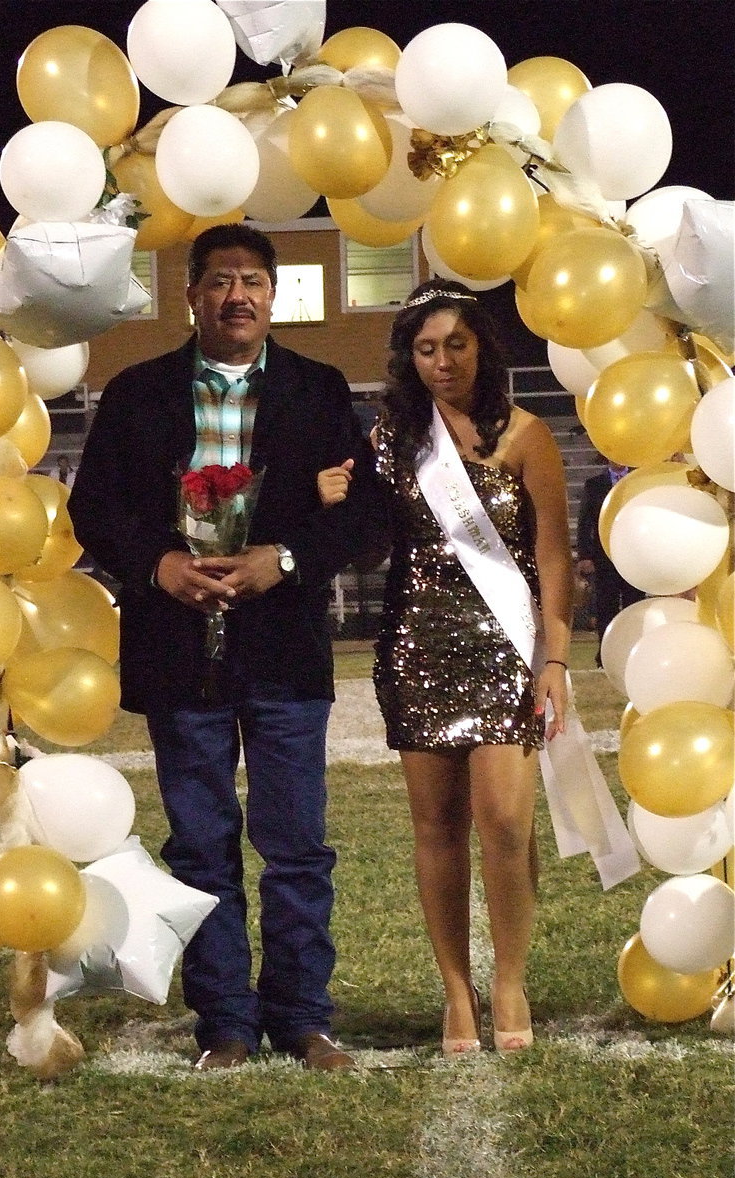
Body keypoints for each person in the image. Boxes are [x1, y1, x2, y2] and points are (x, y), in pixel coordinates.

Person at [68, 223, 387, 1073]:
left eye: (252, 281)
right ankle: (226, 1025)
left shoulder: (319, 390)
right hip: (178, 651)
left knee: (297, 845)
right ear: (192, 296)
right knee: (200, 845)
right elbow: (93, 507)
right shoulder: (137, 393)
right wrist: (161, 565)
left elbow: (361, 514)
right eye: (219, 281)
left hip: (284, 650)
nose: (236, 296)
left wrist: (284, 559)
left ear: (274, 296)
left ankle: (304, 1017)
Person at [325, 280, 573, 1056]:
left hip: (505, 648)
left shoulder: (527, 435)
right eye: (427, 348)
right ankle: (457, 992)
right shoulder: (391, 441)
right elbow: (369, 546)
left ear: (481, 348)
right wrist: (336, 499)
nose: (442, 361)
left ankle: (509, 982)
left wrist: (555, 657)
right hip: (417, 646)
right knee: (436, 828)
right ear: (410, 357)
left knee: (505, 821)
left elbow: (553, 557)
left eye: (456, 345)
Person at [576, 460, 644, 666]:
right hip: (605, 556)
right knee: (606, 607)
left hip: (635, 556)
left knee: (635, 605)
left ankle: (635, 651)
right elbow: (585, 522)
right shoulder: (594, 484)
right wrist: (585, 555)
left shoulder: (639, 479)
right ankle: (606, 653)